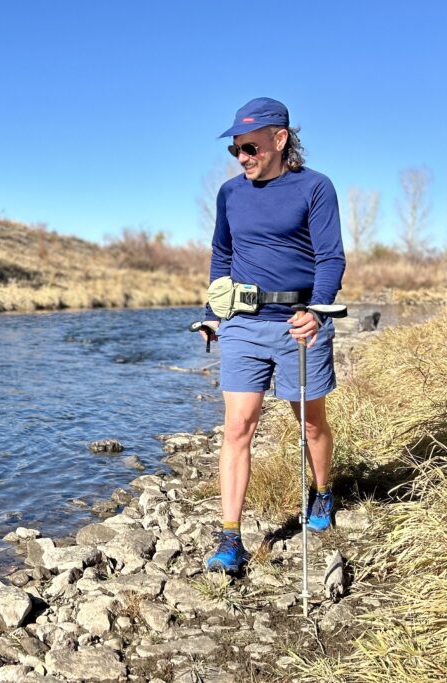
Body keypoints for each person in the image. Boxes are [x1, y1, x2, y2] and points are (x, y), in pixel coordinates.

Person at [198, 97, 346, 573]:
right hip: (242, 325)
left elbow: (331, 258)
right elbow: (222, 255)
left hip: (298, 322)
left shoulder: (315, 188)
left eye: (249, 147)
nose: (241, 157)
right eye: (235, 150)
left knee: (310, 422)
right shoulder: (230, 194)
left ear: (280, 139)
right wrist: (212, 312)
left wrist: (318, 313)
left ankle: (322, 493)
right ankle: (229, 539)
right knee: (238, 426)